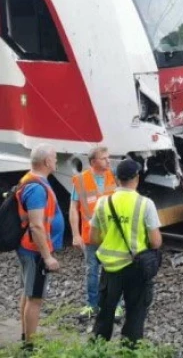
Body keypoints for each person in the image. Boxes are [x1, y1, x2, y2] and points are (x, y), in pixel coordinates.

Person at [91, 159, 162, 344]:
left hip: (110, 268)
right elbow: (155, 242)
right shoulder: (145, 204)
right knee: (135, 314)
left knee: (105, 312)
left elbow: (94, 238)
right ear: (137, 178)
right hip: (136, 267)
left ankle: (98, 350)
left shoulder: (102, 202)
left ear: (116, 178)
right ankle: (129, 349)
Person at [15, 143, 64, 348]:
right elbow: (36, 225)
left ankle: (26, 336)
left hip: (27, 247)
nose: (56, 161)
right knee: (34, 297)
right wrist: (47, 257)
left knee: (28, 293)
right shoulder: (36, 188)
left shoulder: (31, 180)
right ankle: (30, 346)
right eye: (54, 157)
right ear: (46, 161)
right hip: (35, 250)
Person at [69, 146, 120, 321]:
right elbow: (74, 209)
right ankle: (92, 305)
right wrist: (75, 234)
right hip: (91, 236)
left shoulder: (113, 176)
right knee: (92, 271)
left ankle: (115, 306)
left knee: (113, 270)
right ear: (93, 162)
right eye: (104, 158)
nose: (108, 161)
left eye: (108, 157)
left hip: (112, 234)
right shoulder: (81, 181)